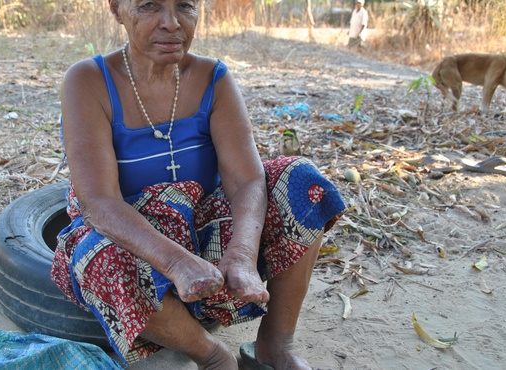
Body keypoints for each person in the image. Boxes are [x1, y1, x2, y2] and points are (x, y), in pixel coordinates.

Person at [50, 1, 346, 369]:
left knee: (301, 180)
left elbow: (247, 179)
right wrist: (177, 262)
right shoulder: (88, 81)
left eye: (185, 6)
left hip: (202, 226)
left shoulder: (213, 78)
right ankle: (212, 355)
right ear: (117, 10)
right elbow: (98, 200)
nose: (171, 23)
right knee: (98, 257)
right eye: (149, 6)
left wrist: (241, 255)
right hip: (129, 235)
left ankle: (275, 345)